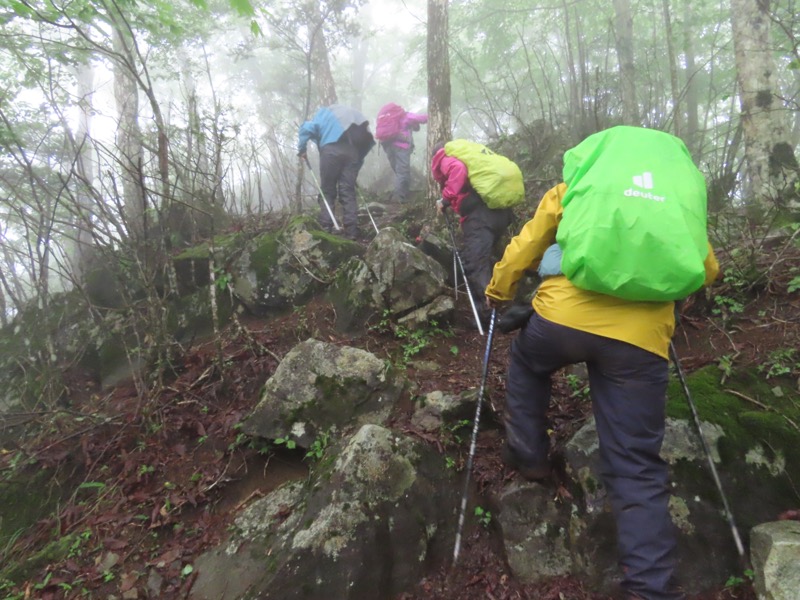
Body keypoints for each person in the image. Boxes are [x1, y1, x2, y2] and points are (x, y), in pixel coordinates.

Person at [484, 173, 720, 597]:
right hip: (639, 340)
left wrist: (499, 292)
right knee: (636, 466)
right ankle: (650, 590)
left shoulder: (575, 189)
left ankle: (530, 455)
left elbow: (526, 245)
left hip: (562, 320)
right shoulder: (673, 203)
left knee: (526, 362)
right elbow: (707, 269)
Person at [431, 142, 514, 324]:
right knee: (487, 259)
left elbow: (458, 170)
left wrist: (445, 200)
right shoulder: (473, 157)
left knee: (476, 264)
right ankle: (498, 304)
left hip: (480, 217)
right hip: (501, 212)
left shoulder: (444, 159)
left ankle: (488, 316)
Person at [298, 104, 375, 240]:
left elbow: (306, 128)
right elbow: (362, 146)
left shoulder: (324, 114)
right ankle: (351, 231)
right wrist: (354, 170)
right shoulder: (351, 115)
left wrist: (302, 149)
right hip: (352, 153)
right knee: (348, 191)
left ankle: (326, 227)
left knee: (327, 190)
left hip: (330, 151)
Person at [380, 108, 428, 203]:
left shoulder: (390, 119)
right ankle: (398, 198)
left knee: (399, 172)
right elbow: (422, 118)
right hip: (401, 146)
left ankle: (402, 194)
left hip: (388, 146)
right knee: (402, 172)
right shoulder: (406, 115)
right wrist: (433, 113)